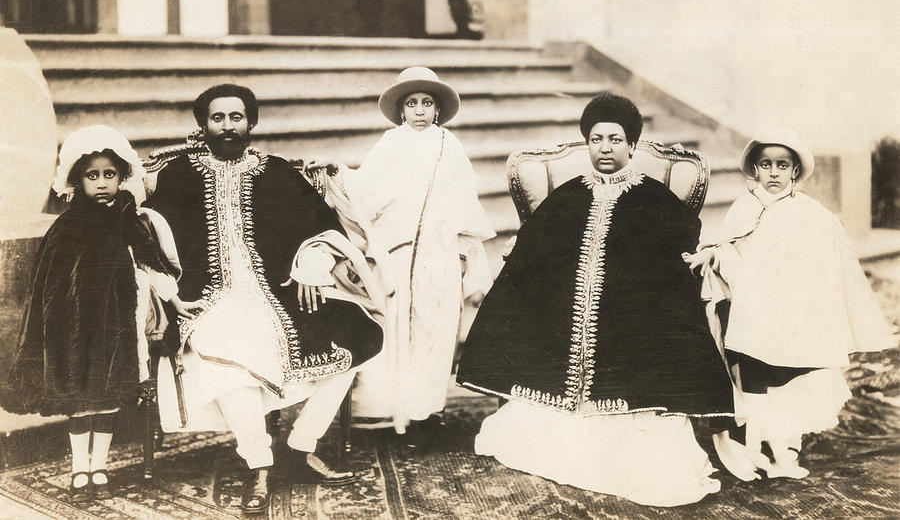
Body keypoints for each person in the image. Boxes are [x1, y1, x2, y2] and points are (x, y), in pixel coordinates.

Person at [456, 92, 734, 507]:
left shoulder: (657, 202)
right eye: (597, 139)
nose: (605, 148)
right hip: (562, 329)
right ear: (588, 143)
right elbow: (535, 257)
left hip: (630, 332)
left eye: (615, 139)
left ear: (632, 146)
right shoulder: (567, 196)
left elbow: (672, 272)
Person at [144, 84, 384, 514]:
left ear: (251, 123)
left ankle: (299, 445)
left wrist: (311, 261)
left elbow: (323, 225)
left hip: (279, 293)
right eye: (218, 118)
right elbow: (149, 242)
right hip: (208, 298)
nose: (228, 126)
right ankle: (259, 463)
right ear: (203, 125)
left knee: (360, 337)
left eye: (236, 117)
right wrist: (168, 293)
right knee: (224, 351)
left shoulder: (276, 172)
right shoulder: (178, 176)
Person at [684, 127, 895, 479]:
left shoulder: (811, 214)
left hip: (792, 316)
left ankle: (784, 447)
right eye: (765, 164)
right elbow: (729, 248)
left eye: (783, 165)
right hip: (750, 315)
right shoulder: (744, 207)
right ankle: (752, 444)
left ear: (795, 170)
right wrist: (714, 255)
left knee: (791, 383)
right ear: (755, 169)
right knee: (753, 378)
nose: (774, 172)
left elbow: (820, 268)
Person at [308, 67, 495, 434]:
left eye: (428, 103)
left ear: (438, 110)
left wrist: (460, 253)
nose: (421, 110)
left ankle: (426, 414)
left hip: (438, 254)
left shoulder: (449, 147)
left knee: (434, 332)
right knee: (395, 330)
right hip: (397, 253)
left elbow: (463, 203)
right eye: (412, 104)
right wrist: (338, 171)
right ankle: (397, 411)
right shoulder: (390, 144)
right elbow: (364, 189)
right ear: (402, 110)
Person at [1, 125, 180, 503]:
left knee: (109, 397)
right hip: (77, 330)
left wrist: (173, 298)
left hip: (118, 326)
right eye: (92, 176)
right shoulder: (67, 227)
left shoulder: (130, 221)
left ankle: (100, 466)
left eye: (109, 175)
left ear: (122, 177)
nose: (101, 183)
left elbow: (150, 265)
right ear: (77, 180)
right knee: (80, 400)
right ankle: (79, 467)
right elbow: (50, 287)